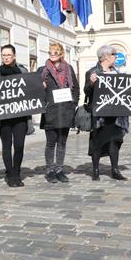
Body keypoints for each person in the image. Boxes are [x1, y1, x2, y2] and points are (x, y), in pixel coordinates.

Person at [0, 44, 30, 187]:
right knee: (7, 146)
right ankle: (11, 175)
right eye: (3, 55)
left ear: (14, 56)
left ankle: (16, 172)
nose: (6, 57)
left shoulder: (22, 71)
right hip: (3, 117)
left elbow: (30, 89)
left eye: (8, 55)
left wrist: (40, 87)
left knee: (19, 145)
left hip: (20, 115)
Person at [84, 45, 129, 182]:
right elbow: (87, 91)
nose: (116, 57)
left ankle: (115, 169)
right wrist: (91, 84)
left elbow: (125, 87)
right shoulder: (92, 71)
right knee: (98, 141)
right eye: (115, 55)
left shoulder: (116, 71)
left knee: (115, 141)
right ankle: (96, 170)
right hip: (100, 114)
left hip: (116, 114)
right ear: (106, 56)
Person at [38, 42, 79, 184]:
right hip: (50, 111)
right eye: (50, 52)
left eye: (55, 53)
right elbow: (34, 90)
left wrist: (73, 104)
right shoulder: (43, 70)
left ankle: (60, 170)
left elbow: (76, 88)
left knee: (62, 142)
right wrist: (40, 87)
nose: (52, 55)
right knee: (50, 143)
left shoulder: (69, 69)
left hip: (65, 110)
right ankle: (50, 170)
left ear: (61, 54)